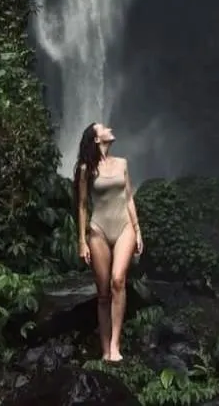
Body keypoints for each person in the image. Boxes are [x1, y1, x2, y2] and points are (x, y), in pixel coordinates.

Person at [74, 121, 144, 362]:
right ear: (96, 139)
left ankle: (116, 345)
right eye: (103, 128)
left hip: (124, 227)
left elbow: (129, 197)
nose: (109, 129)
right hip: (99, 230)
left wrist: (137, 229)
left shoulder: (122, 163)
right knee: (103, 293)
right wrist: (82, 240)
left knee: (118, 280)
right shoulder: (86, 169)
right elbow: (82, 205)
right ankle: (105, 350)